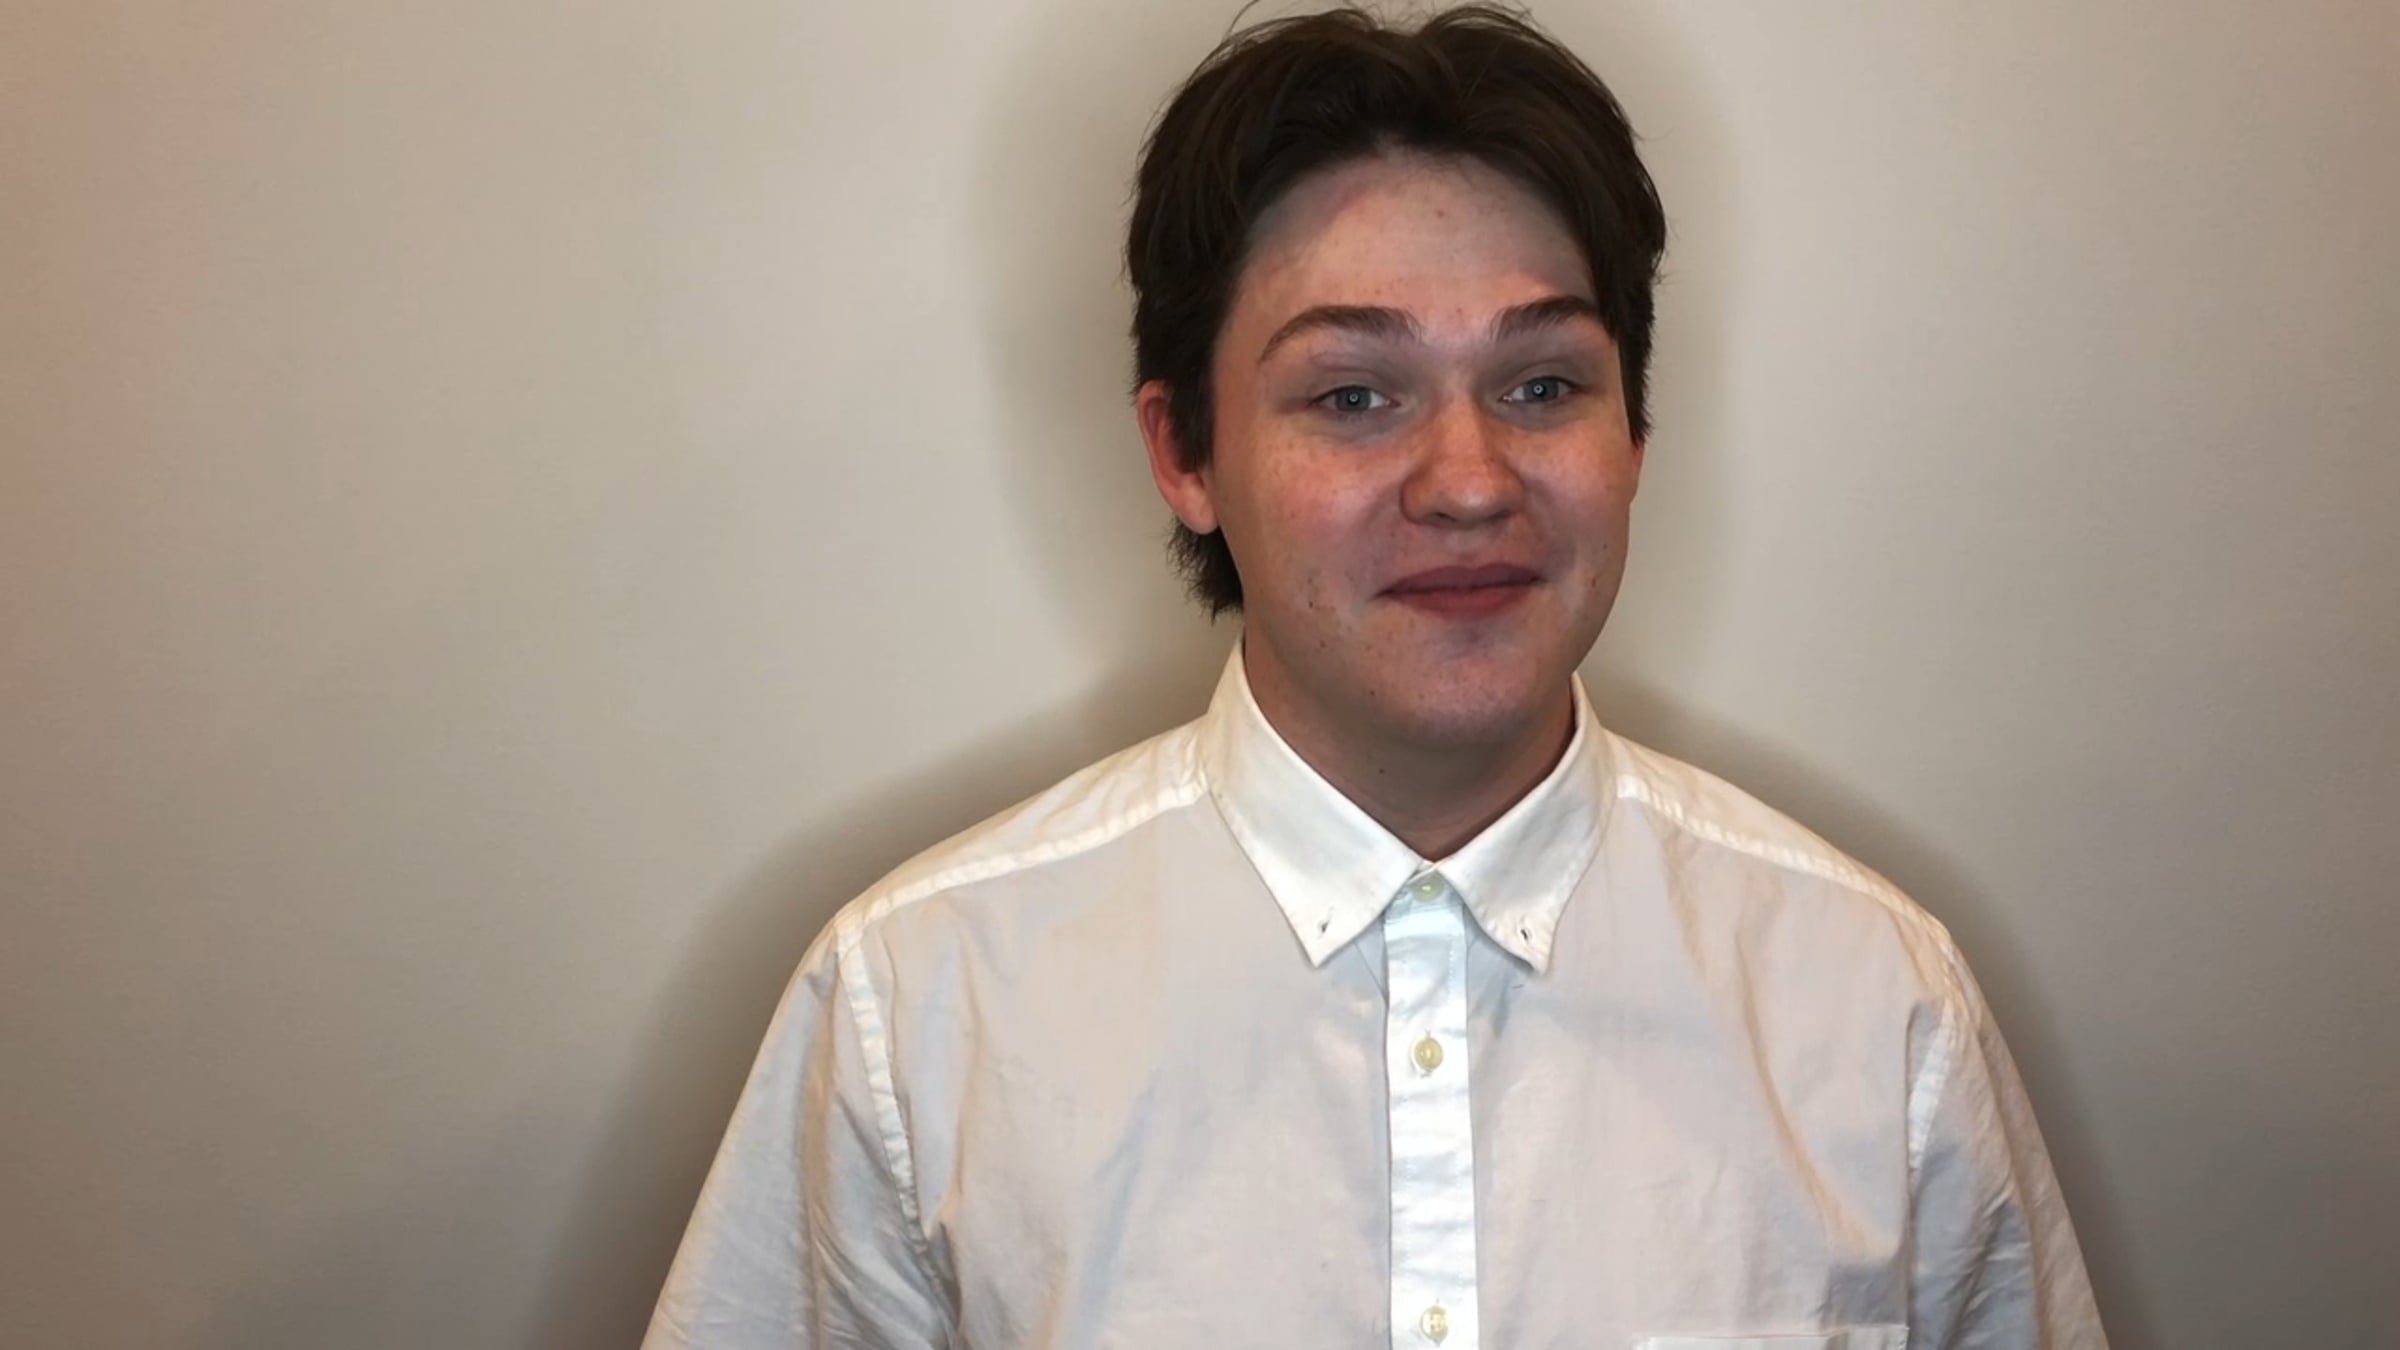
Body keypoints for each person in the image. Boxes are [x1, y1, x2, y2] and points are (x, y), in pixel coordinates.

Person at [643, 6, 2109, 1348]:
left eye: (1543, 385)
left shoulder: (1875, 1003)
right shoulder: (920, 1011)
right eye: (1352, 394)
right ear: (1185, 452)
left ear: (1635, 435)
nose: (1469, 481)